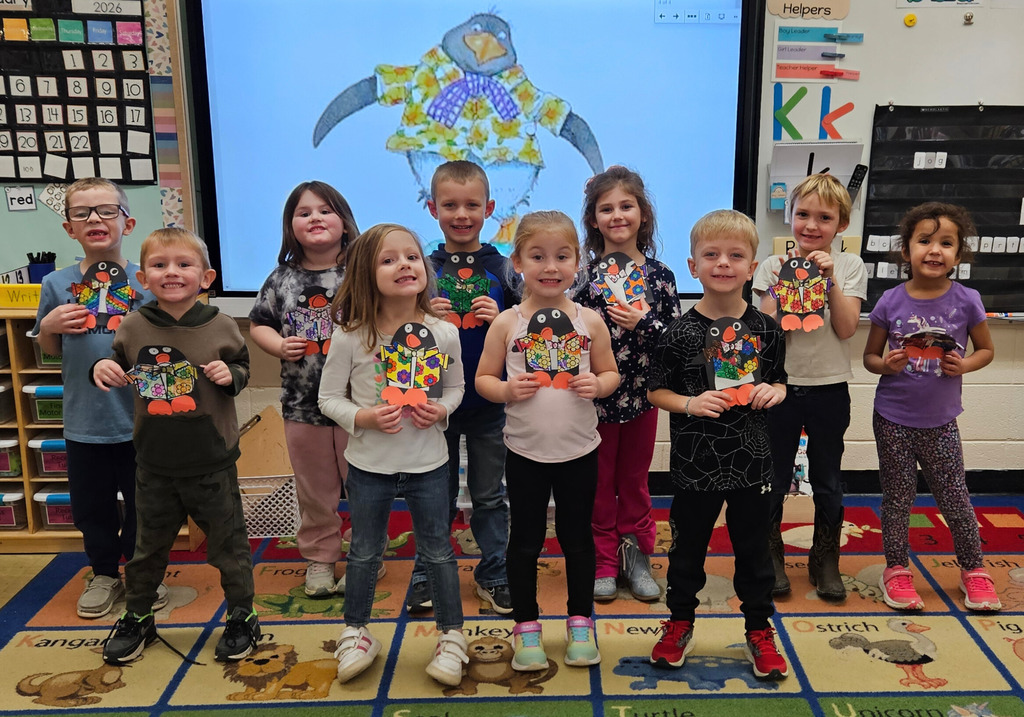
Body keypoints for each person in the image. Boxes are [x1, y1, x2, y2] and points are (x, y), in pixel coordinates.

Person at [93, 228, 258, 664]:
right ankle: (139, 616)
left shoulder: (222, 323)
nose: (172, 273)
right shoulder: (133, 325)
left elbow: (242, 365)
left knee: (229, 546)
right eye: (160, 265)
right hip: (154, 463)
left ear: (206, 276)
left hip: (212, 460)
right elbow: (114, 359)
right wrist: (103, 367)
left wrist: (232, 375)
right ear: (143, 278)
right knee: (147, 549)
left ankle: (243, 616)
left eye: (183, 265)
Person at [318, 223, 469, 686]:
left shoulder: (443, 332)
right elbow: (327, 399)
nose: (405, 265)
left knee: (439, 552)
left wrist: (440, 409)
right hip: (369, 468)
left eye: (412, 256)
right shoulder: (350, 337)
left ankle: (451, 635)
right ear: (366, 274)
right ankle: (357, 632)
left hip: (429, 464)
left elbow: (456, 388)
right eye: (389, 260)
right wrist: (362, 418)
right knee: (363, 551)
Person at [647, 209, 789, 681]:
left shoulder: (767, 329)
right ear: (693, 266)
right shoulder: (679, 332)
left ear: (753, 267)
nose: (723, 263)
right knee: (687, 549)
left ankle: (758, 629)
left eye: (735, 255)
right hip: (695, 463)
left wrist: (775, 391)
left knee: (753, 551)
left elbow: (780, 381)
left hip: (752, 463)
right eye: (711, 255)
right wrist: (689, 403)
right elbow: (656, 391)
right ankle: (679, 622)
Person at [477, 210, 619, 671]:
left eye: (562, 256)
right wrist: (504, 390)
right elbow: (482, 379)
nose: (551, 266)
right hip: (525, 454)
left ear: (578, 261)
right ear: (517, 261)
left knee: (578, 541)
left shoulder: (590, 321)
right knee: (525, 542)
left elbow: (610, 373)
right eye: (537, 256)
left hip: (580, 452)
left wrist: (598, 386)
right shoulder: (507, 323)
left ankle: (580, 622)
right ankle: (527, 628)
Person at [32, 177, 167, 619]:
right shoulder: (56, 284)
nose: (95, 219)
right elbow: (51, 352)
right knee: (92, 505)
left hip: (141, 421)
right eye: (82, 213)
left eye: (107, 210)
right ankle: (105, 572)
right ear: (69, 229)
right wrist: (49, 325)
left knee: (144, 502)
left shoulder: (149, 282)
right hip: (85, 421)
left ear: (127, 222)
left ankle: (143, 573)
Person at [863, 202, 1000, 612]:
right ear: (906, 251)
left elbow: (987, 349)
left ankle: (974, 570)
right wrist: (884, 364)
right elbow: (870, 358)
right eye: (924, 241)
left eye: (946, 243)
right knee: (898, 498)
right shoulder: (889, 301)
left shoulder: (967, 299)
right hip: (892, 419)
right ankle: (897, 569)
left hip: (940, 422)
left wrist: (966, 363)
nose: (934, 250)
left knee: (955, 497)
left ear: (959, 255)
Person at [752, 173, 867, 601]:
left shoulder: (850, 266)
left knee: (828, 478)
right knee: (775, 476)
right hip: (779, 388)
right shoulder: (770, 265)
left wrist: (829, 280)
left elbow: (846, 326)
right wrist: (787, 281)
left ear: (841, 224)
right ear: (790, 217)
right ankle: (772, 555)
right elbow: (767, 331)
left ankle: (825, 558)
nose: (812, 226)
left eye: (824, 217)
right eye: (803, 214)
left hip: (829, 387)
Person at [407, 160, 515, 616]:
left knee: (490, 495)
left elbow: (529, 330)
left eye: (472, 204)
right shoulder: (421, 269)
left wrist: (502, 319)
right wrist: (422, 312)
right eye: (450, 205)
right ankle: (428, 572)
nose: (462, 214)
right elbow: (401, 333)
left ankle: (494, 572)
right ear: (433, 209)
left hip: (489, 402)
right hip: (435, 406)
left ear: (489, 208)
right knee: (436, 493)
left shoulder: (506, 269)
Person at [248, 180, 365, 598]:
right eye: (304, 213)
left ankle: (366, 556)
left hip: (359, 405)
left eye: (325, 210)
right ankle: (320, 558)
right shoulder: (282, 278)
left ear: (344, 221)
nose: (315, 218)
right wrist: (278, 344)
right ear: (291, 226)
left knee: (366, 485)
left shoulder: (364, 271)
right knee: (314, 489)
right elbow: (259, 323)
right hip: (302, 405)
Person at [576, 166, 681, 602]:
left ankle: (635, 554)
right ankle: (602, 558)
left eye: (626, 206)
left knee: (634, 482)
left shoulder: (661, 276)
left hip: (643, 395)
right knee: (598, 482)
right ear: (593, 219)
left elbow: (677, 342)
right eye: (606, 209)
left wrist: (645, 321)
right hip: (594, 401)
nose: (617, 216)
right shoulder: (582, 276)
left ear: (643, 213)